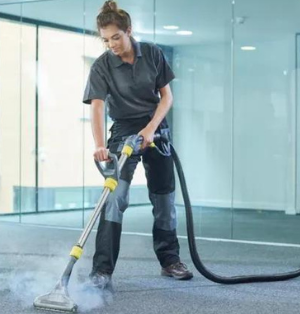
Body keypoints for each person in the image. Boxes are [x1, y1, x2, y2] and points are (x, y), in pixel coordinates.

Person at [82, 0, 193, 290]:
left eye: (116, 37)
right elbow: (96, 107)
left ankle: (170, 261)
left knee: (164, 198)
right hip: (122, 132)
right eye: (106, 40)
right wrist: (99, 145)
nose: (112, 45)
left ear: (129, 31)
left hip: (155, 128)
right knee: (115, 198)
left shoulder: (153, 54)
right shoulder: (102, 66)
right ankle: (102, 270)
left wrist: (150, 129)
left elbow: (166, 98)